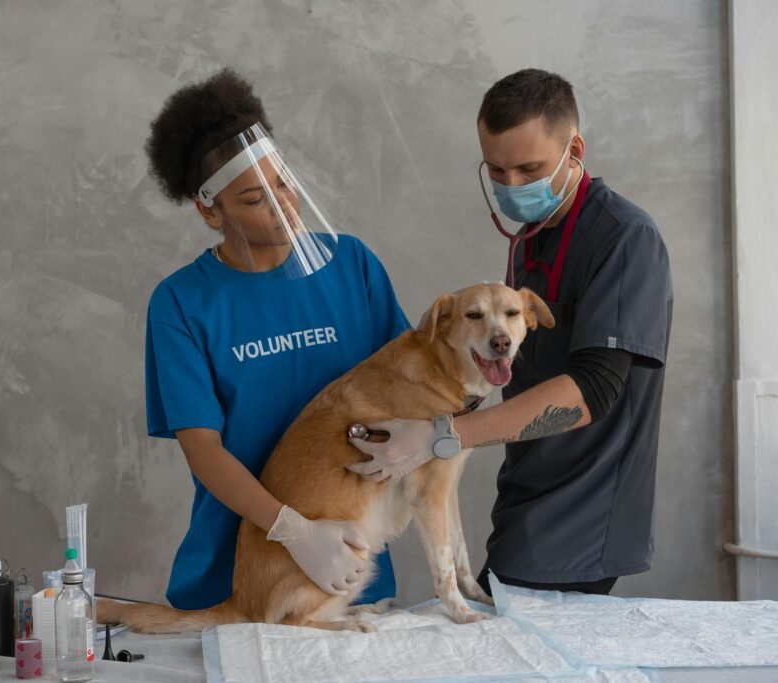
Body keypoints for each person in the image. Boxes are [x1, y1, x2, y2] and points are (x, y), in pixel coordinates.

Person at [349, 69, 673, 596]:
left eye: (530, 168)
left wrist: (440, 437)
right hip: (526, 494)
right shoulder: (528, 240)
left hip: (584, 512)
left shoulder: (626, 239)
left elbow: (594, 390)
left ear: (575, 150)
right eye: (497, 171)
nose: (513, 186)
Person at [144, 68, 411, 610]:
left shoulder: (351, 265)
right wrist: (293, 533)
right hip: (239, 582)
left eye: (284, 181)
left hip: (348, 575)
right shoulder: (181, 303)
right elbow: (204, 451)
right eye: (254, 198)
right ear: (208, 209)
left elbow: (411, 386)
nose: (283, 204)